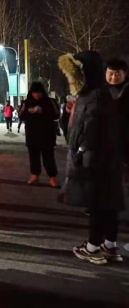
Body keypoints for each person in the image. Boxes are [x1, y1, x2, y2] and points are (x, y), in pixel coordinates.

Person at [60, 54, 127, 265]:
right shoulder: (101, 94)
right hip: (109, 158)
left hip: (96, 159)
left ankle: (92, 247)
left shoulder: (95, 96)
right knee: (109, 203)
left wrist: (81, 154)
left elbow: (87, 131)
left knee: (97, 203)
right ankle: (110, 244)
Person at [19, 82, 60, 187]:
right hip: (32, 135)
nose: (36, 95)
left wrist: (43, 111)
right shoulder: (26, 102)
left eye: (38, 93)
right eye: (34, 93)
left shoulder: (50, 101)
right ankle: (35, 175)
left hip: (47, 135)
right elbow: (21, 116)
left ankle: (52, 177)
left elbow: (56, 115)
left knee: (48, 157)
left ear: (42, 92)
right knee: (34, 157)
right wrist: (29, 111)